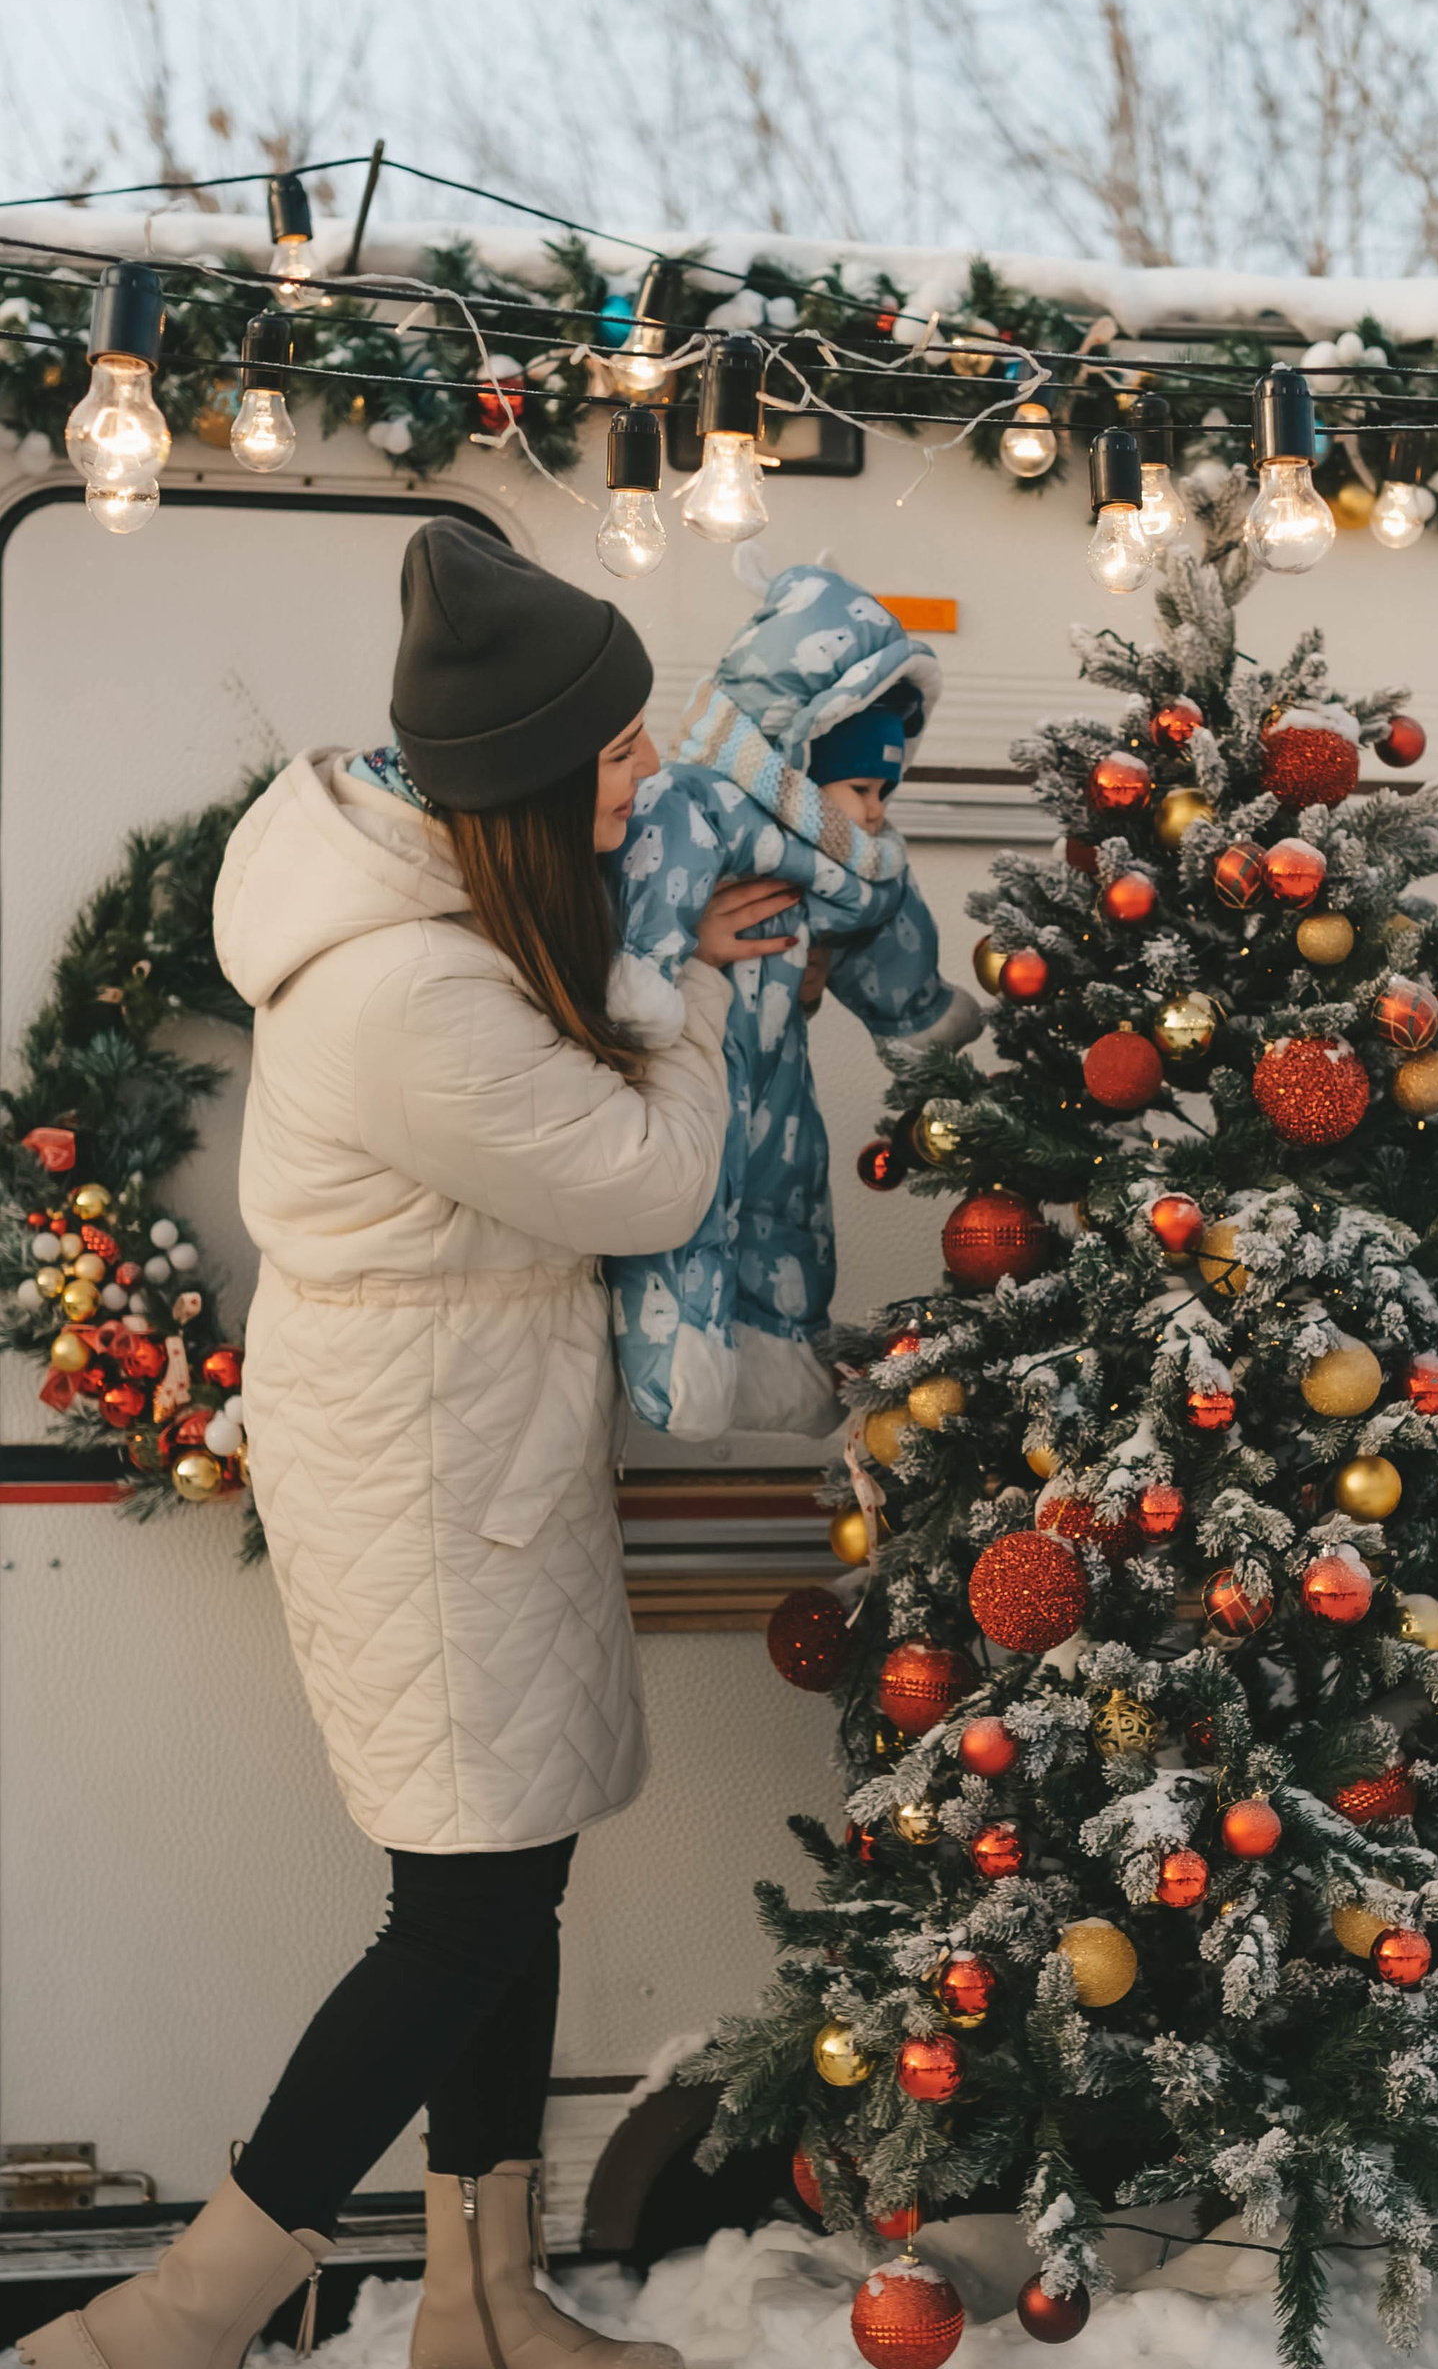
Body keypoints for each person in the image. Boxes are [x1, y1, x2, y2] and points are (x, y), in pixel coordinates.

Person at [19, 520, 782, 2369]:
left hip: (467, 1452)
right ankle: (180, 2314)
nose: (650, 771)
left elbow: (568, 1058)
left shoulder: (448, 917)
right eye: (617, 749)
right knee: (460, 1906)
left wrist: (658, 948)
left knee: (502, 1875)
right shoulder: (406, 994)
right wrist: (693, 995)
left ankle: (484, 2303)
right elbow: (649, 1179)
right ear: (522, 778)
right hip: (432, 1482)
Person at [603, 553, 978, 1440]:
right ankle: (674, 1362)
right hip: (695, 1067)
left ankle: (778, 1352)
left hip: (777, 1073)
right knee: (691, 1208)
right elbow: (660, 883)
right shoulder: (697, 803)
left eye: (887, 790)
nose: (877, 812)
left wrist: (916, 1012)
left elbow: (890, 925)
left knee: (789, 1211)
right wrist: (650, 976)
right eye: (858, 788)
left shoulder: (849, 863)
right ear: (800, 756)